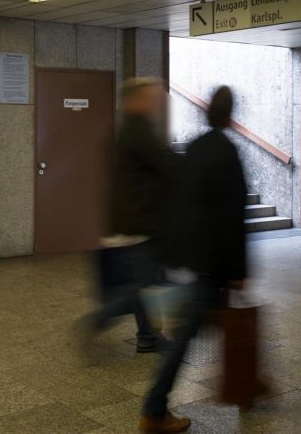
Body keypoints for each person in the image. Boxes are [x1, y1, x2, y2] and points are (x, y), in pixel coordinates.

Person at [140, 86, 247, 433]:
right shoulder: (227, 151)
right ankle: (154, 409)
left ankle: (242, 386)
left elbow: (179, 200)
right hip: (210, 261)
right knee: (187, 334)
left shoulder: (195, 147)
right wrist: (237, 270)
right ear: (231, 115)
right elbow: (233, 215)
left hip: (187, 254)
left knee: (192, 329)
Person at [85, 77, 181, 353]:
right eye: (151, 98)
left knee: (148, 282)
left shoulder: (126, 129)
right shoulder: (140, 130)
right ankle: (100, 319)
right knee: (145, 285)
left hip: (132, 221)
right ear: (137, 100)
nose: (156, 103)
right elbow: (166, 165)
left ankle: (148, 337)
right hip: (139, 223)